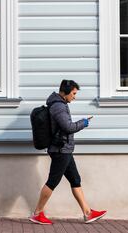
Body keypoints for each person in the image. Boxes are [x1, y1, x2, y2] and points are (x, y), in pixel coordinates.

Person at [29, 80, 107, 225]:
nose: (75, 97)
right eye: (73, 93)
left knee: (75, 180)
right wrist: (83, 123)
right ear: (65, 92)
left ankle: (87, 213)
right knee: (52, 182)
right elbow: (68, 127)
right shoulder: (58, 106)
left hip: (64, 149)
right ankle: (37, 213)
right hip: (61, 150)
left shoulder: (59, 104)